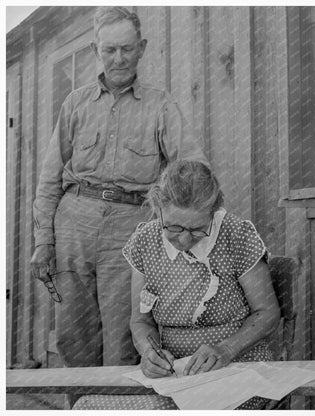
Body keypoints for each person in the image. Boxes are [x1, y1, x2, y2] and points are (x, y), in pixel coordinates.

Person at [30, 5, 207, 380]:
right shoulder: (75, 104)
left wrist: (176, 229)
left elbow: (193, 172)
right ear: (97, 51)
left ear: (141, 48)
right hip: (73, 227)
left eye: (127, 49)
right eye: (110, 50)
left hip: (130, 230)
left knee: (124, 338)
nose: (119, 58)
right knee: (73, 337)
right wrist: (43, 241)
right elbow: (48, 180)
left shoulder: (161, 105)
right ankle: (78, 405)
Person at [73, 160, 280, 410]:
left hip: (240, 368)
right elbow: (141, 321)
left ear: (213, 213)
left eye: (197, 229)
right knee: (87, 406)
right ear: (158, 207)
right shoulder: (145, 241)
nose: (184, 239)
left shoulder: (237, 235)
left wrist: (225, 350)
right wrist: (150, 354)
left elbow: (267, 313)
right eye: (174, 227)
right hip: (175, 377)